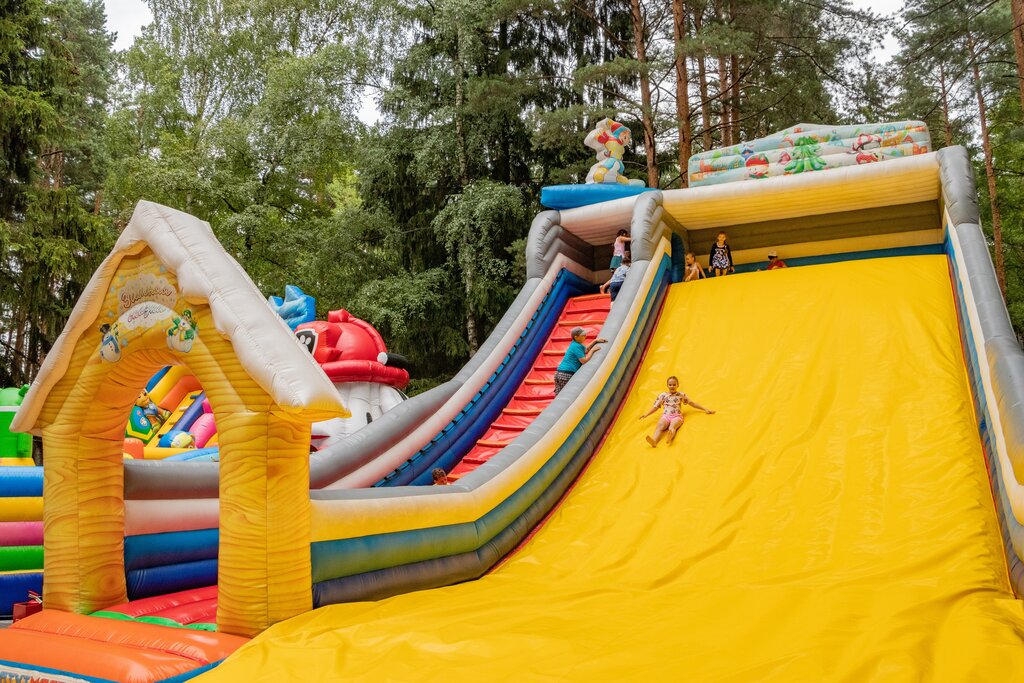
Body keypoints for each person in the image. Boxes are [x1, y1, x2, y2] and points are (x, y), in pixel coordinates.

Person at [639, 376, 714, 447]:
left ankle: (669, 438)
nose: (672, 386)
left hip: (676, 416)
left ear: (678, 385)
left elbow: (692, 403)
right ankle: (654, 441)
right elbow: (655, 407)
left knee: (672, 426)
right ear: (667, 385)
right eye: (670, 385)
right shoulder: (663, 395)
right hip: (666, 416)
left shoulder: (681, 395)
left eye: (674, 384)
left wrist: (705, 409)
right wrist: (646, 414)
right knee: (660, 425)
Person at [554, 327, 606, 395]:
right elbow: (584, 361)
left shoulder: (575, 344)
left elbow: (586, 350)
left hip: (559, 373)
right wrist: (593, 350)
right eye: (583, 335)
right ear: (576, 337)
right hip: (566, 374)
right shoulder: (576, 346)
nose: (585, 336)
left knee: (559, 395)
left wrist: (595, 341)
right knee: (567, 394)